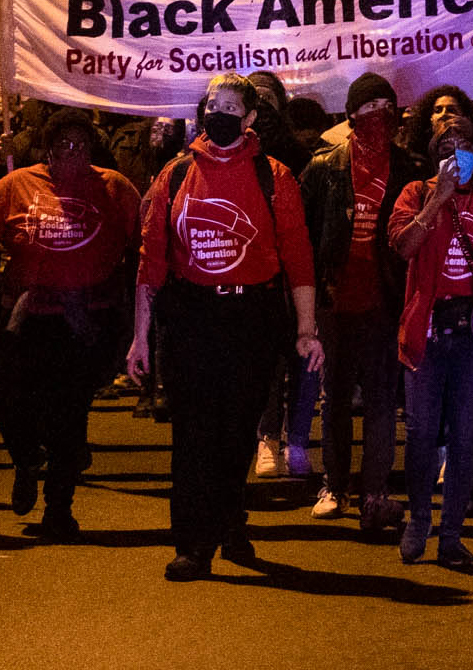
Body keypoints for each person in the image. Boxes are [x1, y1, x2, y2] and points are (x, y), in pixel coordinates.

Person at [126, 73, 319, 582]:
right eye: (214, 104)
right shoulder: (174, 175)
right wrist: (139, 335)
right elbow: (151, 264)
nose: (221, 113)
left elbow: (298, 258)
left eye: (232, 106)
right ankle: (191, 543)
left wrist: (306, 328)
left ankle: (232, 521)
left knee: (236, 432)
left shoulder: (274, 176)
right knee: (192, 433)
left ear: (251, 118)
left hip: (250, 320)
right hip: (192, 317)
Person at [0, 108, 142, 539]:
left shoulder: (114, 188)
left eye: (81, 145)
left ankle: (59, 508)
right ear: (47, 150)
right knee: (10, 409)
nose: (72, 152)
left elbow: (143, 246)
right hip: (27, 318)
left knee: (68, 417)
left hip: (84, 320)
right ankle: (26, 459)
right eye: (63, 145)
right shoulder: (16, 186)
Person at [385, 108, 473, 570]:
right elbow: (403, 246)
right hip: (427, 331)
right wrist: (437, 200)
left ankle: (452, 535)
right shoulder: (415, 194)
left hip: (472, 337)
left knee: (465, 438)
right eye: (444, 149)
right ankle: (418, 521)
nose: (454, 155)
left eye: (463, 147)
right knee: (422, 433)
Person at [300, 72, 426, 533]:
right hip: (335, 302)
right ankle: (334, 485)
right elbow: (303, 237)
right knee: (333, 398)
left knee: (379, 401)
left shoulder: (409, 168)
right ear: (352, 116)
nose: (379, 115)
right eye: (369, 107)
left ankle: (375, 489)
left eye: (386, 106)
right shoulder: (324, 167)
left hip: (385, 300)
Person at [245, 69, 318, 480]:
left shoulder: (302, 154)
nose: (264, 105)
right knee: (268, 361)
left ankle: (299, 441)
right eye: (255, 98)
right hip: (258, 272)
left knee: (305, 357)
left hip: (299, 272)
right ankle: (267, 438)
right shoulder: (234, 153)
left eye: (270, 98)